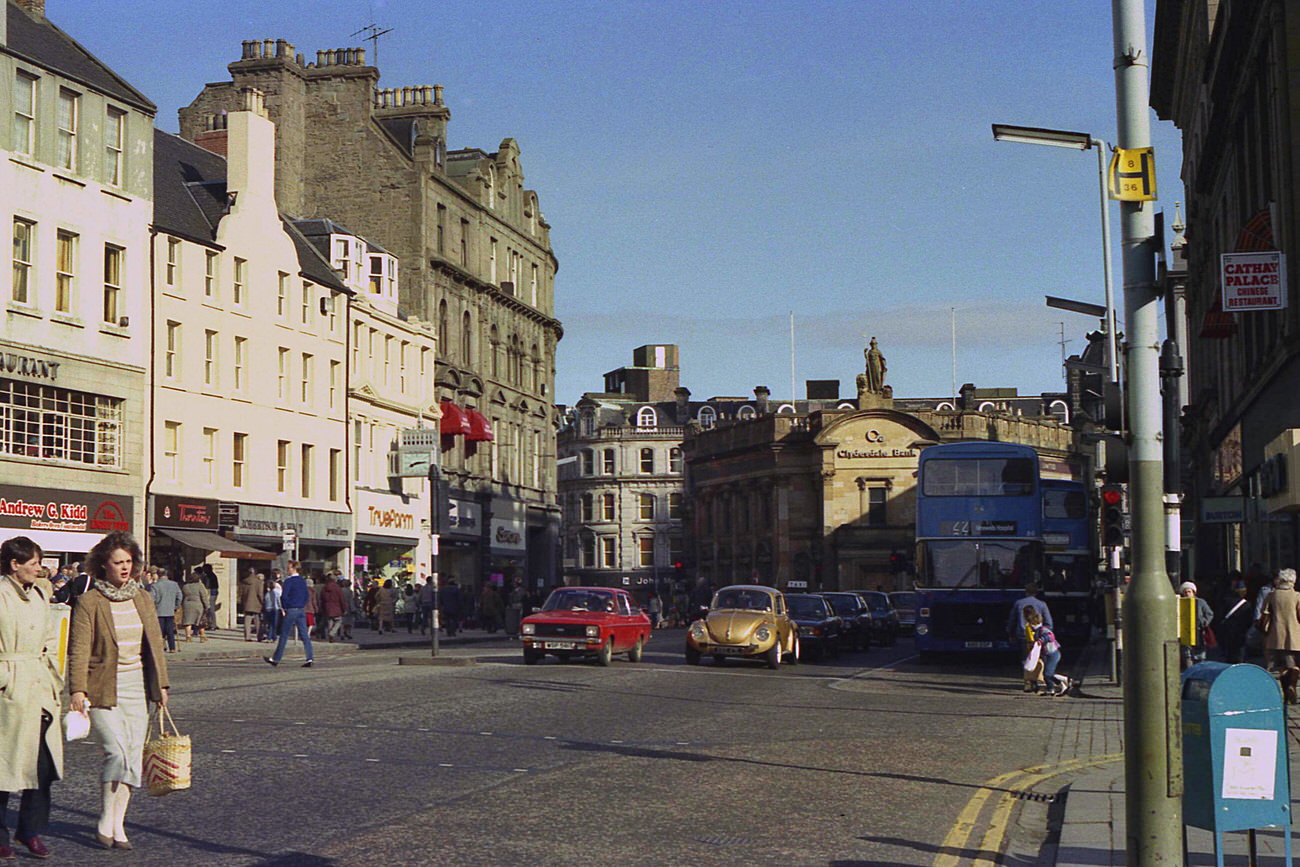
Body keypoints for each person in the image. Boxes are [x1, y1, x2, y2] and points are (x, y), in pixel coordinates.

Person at [68, 531, 170, 851]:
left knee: (133, 758)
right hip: (102, 687)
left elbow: (155, 645)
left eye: (128, 561)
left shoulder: (143, 598)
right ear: (103, 565)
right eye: (117, 562)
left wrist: (161, 686)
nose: (124, 568)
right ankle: (104, 817)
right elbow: (79, 649)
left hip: (136, 686)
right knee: (117, 752)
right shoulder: (89, 601)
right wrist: (77, 690)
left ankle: (118, 823)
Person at [0, 537, 63, 860]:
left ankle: (31, 830)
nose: (40, 569)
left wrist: (54, 676)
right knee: (4, 766)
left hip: (39, 688)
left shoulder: (39, 594)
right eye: (34, 563)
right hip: (9, 690)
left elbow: (50, 639)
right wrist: (5, 680)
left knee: (42, 767)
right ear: (15, 564)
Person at [264, 561, 313, 668]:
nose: (288, 569)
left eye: (289, 568)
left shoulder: (288, 581)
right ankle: (309, 657)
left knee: (284, 635)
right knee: (304, 635)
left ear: (294, 569)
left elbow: (284, 596)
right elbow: (306, 596)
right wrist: (301, 604)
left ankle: (276, 659)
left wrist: (285, 607)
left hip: (291, 609)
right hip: (301, 609)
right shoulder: (302, 581)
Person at [1261, 568, 1300, 703]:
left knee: (1282, 667)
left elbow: (1264, 614)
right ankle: (1292, 686)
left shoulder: (1271, 595)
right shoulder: (1297, 596)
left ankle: (1285, 693)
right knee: (1294, 665)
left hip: (1275, 636)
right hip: (1295, 636)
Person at [1024, 608, 1070, 696]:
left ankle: (1064, 679)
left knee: (1048, 673)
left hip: (1053, 654)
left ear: (1033, 623)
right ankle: (1051, 688)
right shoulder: (1037, 631)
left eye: (1030, 623)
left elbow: (1050, 636)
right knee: (1046, 674)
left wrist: (1041, 640)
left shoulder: (1042, 630)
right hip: (1048, 654)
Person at [1215, 578, 1253, 664]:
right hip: (1241, 632)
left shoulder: (1225, 601)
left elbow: (1219, 615)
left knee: (1228, 652)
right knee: (1240, 652)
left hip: (1227, 630)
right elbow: (1249, 621)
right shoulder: (1247, 605)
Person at [1178, 581, 1214, 669]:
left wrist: (1204, 622)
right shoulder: (1180, 603)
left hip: (1199, 632)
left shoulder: (1201, 602)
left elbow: (1209, 613)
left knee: (1200, 655)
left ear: (1193, 592)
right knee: (1187, 655)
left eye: (1189, 592)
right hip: (1185, 633)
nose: (1187, 594)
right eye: (1185, 592)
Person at [149, 568, 183, 653]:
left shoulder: (155, 586)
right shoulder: (174, 584)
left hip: (159, 611)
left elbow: (152, 599)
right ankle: (172, 647)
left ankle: (161, 647)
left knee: (160, 631)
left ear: (158, 575)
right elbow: (179, 596)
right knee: (170, 630)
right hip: (170, 610)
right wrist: (176, 606)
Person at [179, 572, 209, 643]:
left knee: (188, 621)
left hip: (187, 604)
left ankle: (188, 637)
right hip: (198, 604)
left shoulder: (185, 586)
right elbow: (203, 596)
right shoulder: (200, 586)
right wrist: (206, 605)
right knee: (200, 621)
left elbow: (182, 596)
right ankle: (202, 636)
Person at [319, 573, 345, 642]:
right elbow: (341, 599)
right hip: (337, 607)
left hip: (327, 607)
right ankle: (332, 633)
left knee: (330, 621)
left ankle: (331, 636)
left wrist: (322, 607)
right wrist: (344, 608)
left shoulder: (324, 588)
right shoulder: (337, 588)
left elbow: (321, 598)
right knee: (338, 621)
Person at [240, 568, 263, 642]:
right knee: (257, 620)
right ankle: (259, 636)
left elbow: (241, 593)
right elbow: (260, 593)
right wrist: (262, 602)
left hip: (247, 602)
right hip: (256, 603)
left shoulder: (244, 581)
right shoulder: (258, 582)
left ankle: (247, 636)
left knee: (247, 619)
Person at [261, 574, 281, 643]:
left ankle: (271, 637)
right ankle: (272, 637)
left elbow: (265, 601)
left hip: (268, 609)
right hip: (275, 609)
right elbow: (278, 601)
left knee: (270, 624)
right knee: (273, 624)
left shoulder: (267, 594)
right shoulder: (276, 593)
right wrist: (281, 608)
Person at [338, 574, 355, 641]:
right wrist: (353, 608)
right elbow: (351, 600)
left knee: (342, 621)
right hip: (348, 608)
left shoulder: (340, 590)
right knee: (349, 622)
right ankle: (348, 633)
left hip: (341, 607)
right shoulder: (350, 591)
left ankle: (342, 633)